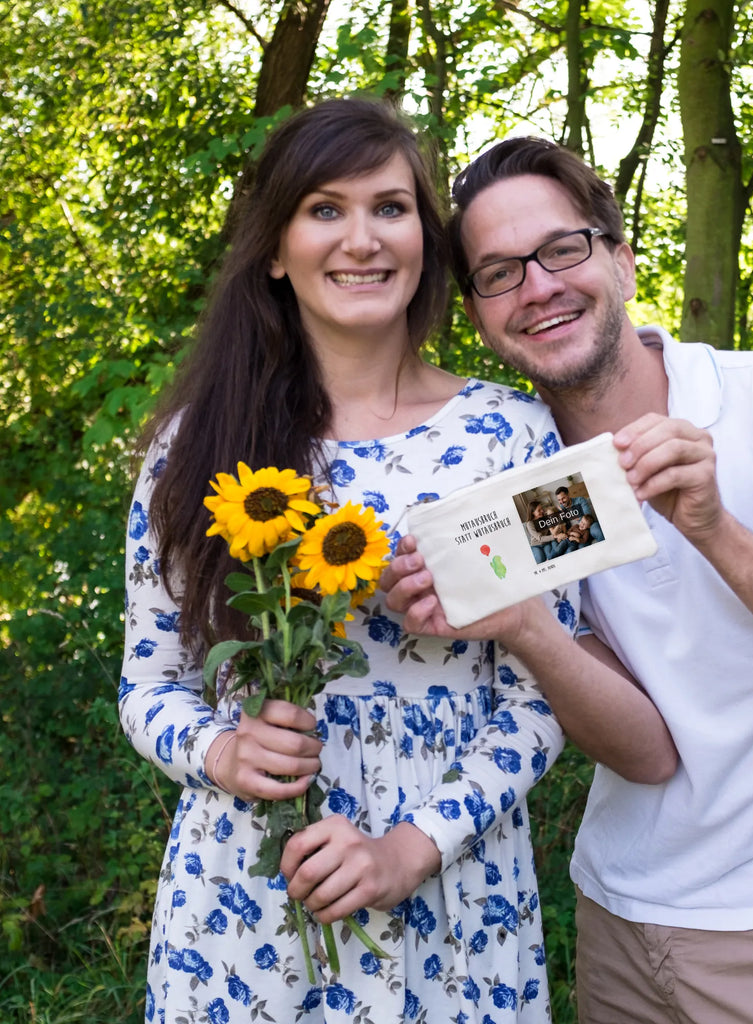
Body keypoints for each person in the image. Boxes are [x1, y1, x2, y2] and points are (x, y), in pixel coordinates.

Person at [118, 102, 675, 1024]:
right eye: (324, 210)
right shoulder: (195, 447)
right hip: (248, 902)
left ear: (425, 238)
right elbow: (148, 680)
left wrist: (412, 847)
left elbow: (544, 695)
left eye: (390, 207)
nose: (363, 239)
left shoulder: (519, 435)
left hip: (457, 902)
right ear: (273, 247)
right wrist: (220, 748)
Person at [382, 136, 753, 1024]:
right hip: (620, 913)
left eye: (563, 249)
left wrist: (711, 527)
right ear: (479, 314)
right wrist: (521, 625)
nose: (540, 286)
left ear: (621, 260)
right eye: (499, 272)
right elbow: (648, 748)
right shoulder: (523, 479)